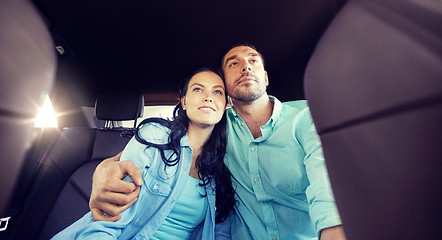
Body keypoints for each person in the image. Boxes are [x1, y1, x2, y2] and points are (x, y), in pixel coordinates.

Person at [90, 44, 346, 240]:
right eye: (234, 64)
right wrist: (105, 168)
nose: (245, 67)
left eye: (253, 61)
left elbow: (326, 185)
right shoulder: (205, 130)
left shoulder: (305, 117)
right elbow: (152, 148)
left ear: (265, 77)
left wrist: (334, 231)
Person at [52, 69, 236, 239]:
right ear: (184, 101)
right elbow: (109, 221)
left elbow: (220, 231)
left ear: (226, 104)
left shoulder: (227, 162)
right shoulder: (154, 136)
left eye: (217, 92)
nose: (208, 98)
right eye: (198, 89)